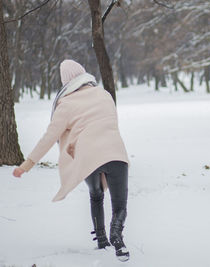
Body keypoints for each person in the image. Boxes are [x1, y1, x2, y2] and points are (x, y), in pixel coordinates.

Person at [13, 59, 130, 261]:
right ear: (85, 75)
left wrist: (27, 164)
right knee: (119, 205)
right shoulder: (104, 95)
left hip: (87, 155)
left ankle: (102, 240)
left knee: (96, 195)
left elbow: (49, 137)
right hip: (116, 152)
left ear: (65, 82)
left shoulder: (65, 104)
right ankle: (117, 237)